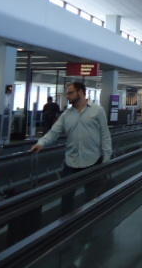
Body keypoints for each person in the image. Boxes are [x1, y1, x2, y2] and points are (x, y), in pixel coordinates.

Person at [30, 82, 112, 213]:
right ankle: (66, 222)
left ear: (80, 92)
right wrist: (41, 143)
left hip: (92, 161)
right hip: (71, 162)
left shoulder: (97, 111)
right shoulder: (66, 114)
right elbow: (54, 132)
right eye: (67, 93)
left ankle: (89, 221)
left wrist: (106, 159)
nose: (67, 96)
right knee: (66, 198)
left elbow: (105, 135)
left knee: (92, 198)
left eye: (70, 93)